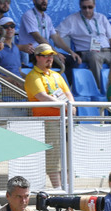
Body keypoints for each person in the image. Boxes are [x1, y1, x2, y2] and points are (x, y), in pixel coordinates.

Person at [56, 0, 111, 89]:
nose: (87, 10)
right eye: (84, 7)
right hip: (88, 52)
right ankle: (103, 89)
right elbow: (55, 35)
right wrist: (70, 51)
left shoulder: (101, 18)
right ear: (80, 6)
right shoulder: (72, 19)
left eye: (90, 7)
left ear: (94, 5)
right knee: (95, 57)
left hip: (108, 51)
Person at [24, 43, 76, 189]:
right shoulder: (33, 76)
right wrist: (64, 105)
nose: (50, 59)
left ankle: (66, 186)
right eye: (46, 56)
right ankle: (58, 188)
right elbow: (42, 97)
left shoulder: (56, 75)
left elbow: (68, 94)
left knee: (66, 154)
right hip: (47, 121)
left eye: (51, 55)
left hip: (63, 119)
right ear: (37, 57)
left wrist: (70, 105)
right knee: (53, 155)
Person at [20, 0, 82, 89]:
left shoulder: (47, 18)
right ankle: (55, 88)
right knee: (59, 61)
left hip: (46, 52)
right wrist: (55, 53)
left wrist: (70, 51)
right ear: (34, 1)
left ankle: (62, 89)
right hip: (32, 52)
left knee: (73, 59)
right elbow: (37, 37)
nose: (44, 1)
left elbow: (56, 37)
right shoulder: (28, 15)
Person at [0, 17, 31, 88]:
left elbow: (19, 71)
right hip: (5, 86)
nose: (9, 29)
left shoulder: (15, 48)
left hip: (19, 83)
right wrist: (8, 80)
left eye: (12, 26)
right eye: (6, 27)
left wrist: (30, 78)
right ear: (0, 30)